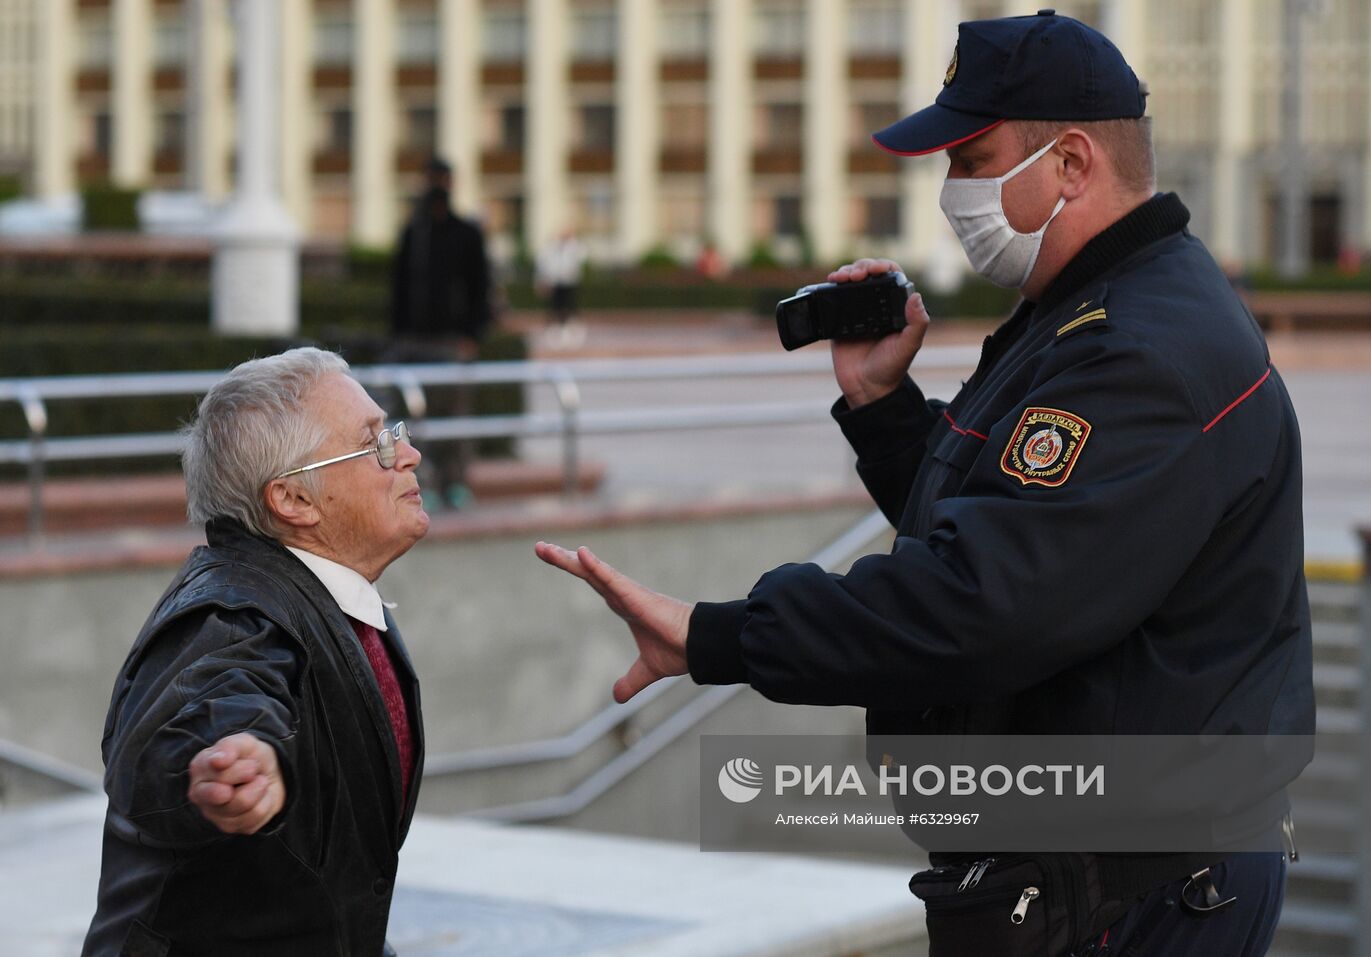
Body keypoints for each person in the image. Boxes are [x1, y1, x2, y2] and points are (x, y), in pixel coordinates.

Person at [537, 10, 1313, 956]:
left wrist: (718, 634)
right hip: (1085, 871)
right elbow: (1014, 536)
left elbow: (983, 603)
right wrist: (881, 403)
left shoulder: (1138, 351)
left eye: (972, 159)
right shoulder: (1081, 314)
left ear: (1072, 163)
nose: (953, 192)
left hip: (1133, 889)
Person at [83, 348, 430, 957]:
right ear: (293, 500)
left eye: (394, 432)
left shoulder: (329, 594)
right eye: (375, 444)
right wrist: (237, 751)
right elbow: (219, 692)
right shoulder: (230, 612)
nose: (408, 454)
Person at [390, 157, 495, 509]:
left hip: (451, 342)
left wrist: (471, 335)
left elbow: (481, 288)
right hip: (413, 341)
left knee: (454, 416)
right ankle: (424, 484)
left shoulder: (466, 233)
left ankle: (456, 482)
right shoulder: (414, 232)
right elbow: (400, 286)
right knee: (417, 418)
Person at [535, 227, 586, 348]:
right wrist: (543, 281)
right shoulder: (551, 248)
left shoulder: (574, 247)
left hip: (569, 282)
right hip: (555, 282)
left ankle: (571, 331)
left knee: (570, 306)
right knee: (555, 307)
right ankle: (555, 332)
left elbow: (580, 256)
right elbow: (544, 265)